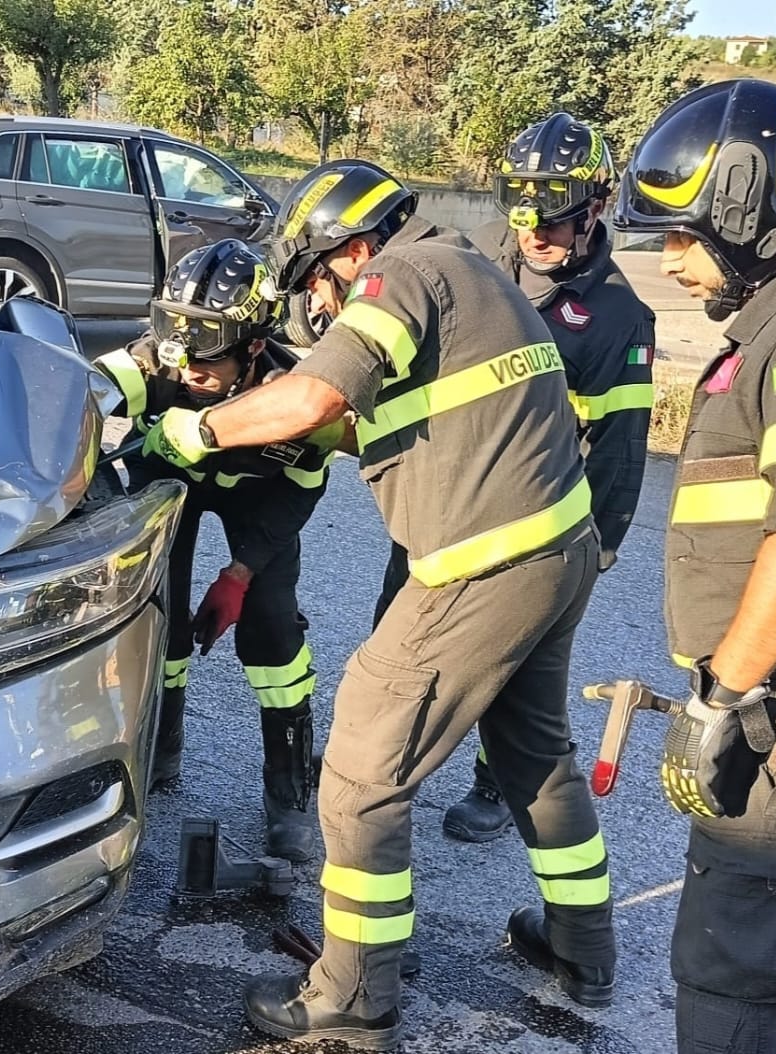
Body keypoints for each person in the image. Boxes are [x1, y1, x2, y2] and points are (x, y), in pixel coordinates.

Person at [144, 159, 617, 1046]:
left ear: (349, 250)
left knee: (362, 772)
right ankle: (581, 947)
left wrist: (196, 428)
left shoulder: (400, 273)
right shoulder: (475, 272)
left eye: (315, 283)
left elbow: (316, 393)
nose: (316, 305)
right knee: (536, 757)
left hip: (481, 566)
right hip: (559, 552)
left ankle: (353, 995)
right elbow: (373, 419)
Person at [610, 77, 776, 1054]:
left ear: (742, 214)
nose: (668, 260)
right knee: (769, 962)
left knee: (730, 964)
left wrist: (719, 696)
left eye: (681, 236)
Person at [425, 112, 658, 843]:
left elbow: (619, 444)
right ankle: (388, 760)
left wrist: (600, 544)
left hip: (535, 519)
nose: (533, 234)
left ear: (594, 207)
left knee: (516, 663)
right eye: (522, 216)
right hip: (448, 498)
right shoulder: (480, 260)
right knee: (401, 631)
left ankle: (496, 783)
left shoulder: (618, 316)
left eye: (552, 220)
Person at [92, 238, 343, 862]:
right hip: (168, 482)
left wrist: (240, 573)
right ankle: (162, 746)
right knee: (159, 618)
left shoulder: (293, 398)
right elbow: (81, 392)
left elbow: (300, 493)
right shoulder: (160, 362)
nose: (186, 373)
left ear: (253, 347)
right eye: (177, 356)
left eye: (206, 362)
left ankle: (288, 792)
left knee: (272, 632)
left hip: (262, 497)